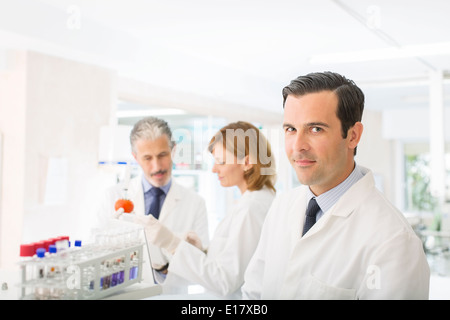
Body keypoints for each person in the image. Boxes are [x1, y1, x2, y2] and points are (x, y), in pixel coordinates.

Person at [241, 71, 430, 300]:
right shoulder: (282, 206)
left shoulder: (394, 242)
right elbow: (254, 293)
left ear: (353, 136)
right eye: (291, 129)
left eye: (315, 129)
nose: (298, 146)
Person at [134, 121, 277, 299]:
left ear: (247, 162)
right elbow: (239, 263)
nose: (214, 169)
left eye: (221, 161)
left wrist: (172, 244)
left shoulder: (251, 208)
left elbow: (225, 281)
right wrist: (203, 252)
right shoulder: (252, 201)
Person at [97, 116, 210, 294]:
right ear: (135, 157)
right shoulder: (113, 197)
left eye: (162, 155)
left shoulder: (195, 203)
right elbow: (96, 254)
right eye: (147, 158)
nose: (157, 166)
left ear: (173, 150)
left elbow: (202, 269)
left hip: (173, 296)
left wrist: (168, 264)